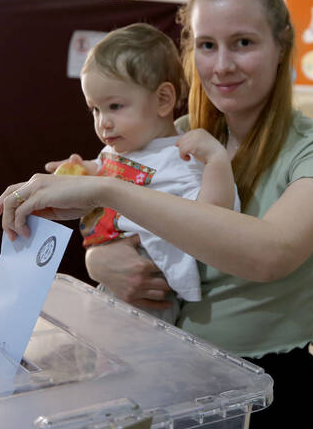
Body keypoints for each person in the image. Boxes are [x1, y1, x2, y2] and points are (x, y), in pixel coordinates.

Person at [0, 0, 313, 429]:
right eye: (206, 45)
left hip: (266, 394)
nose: (222, 65)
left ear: (282, 45)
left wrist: (108, 190)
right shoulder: (175, 136)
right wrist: (99, 257)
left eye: (243, 43)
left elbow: (268, 254)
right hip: (162, 372)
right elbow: (115, 225)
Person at [57, 22, 240, 324]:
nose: (103, 122)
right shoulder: (122, 150)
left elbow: (213, 217)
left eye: (115, 106)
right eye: (95, 110)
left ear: (163, 100)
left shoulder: (179, 158)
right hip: (112, 281)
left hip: (150, 289)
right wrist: (81, 168)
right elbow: (106, 169)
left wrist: (217, 162)